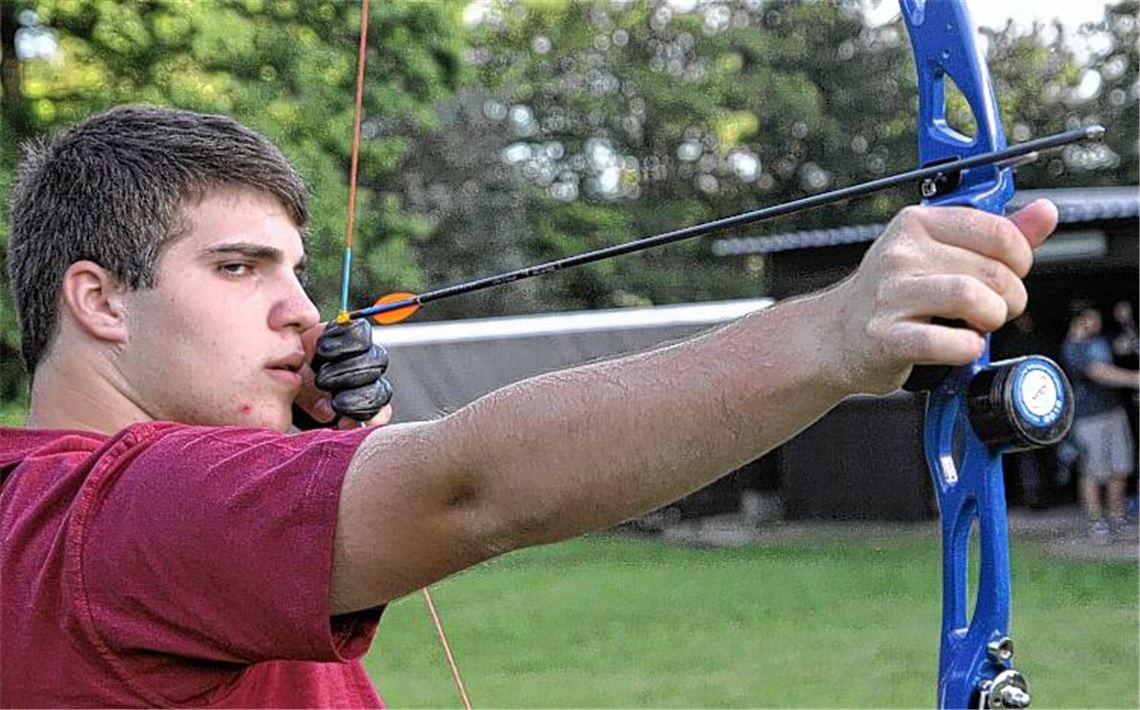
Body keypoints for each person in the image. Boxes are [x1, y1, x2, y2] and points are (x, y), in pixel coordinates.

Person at [1, 105, 1061, 706]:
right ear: (97, 298)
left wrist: (311, 459)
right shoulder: (110, 518)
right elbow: (476, 485)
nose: (304, 313)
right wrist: (833, 335)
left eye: (296, 269)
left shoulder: (43, 511)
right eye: (238, 268)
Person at [1061, 303, 1140, 543]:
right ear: (1080, 320)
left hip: (1114, 412)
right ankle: (1096, 522)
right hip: (1089, 418)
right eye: (1093, 319)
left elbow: (1124, 345)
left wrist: (1127, 323)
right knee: (1094, 471)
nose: (1098, 324)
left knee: (1120, 466)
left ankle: (1117, 517)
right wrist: (1135, 379)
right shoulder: (1071, 348)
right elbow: (1099, 372)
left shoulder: (1100, 340)